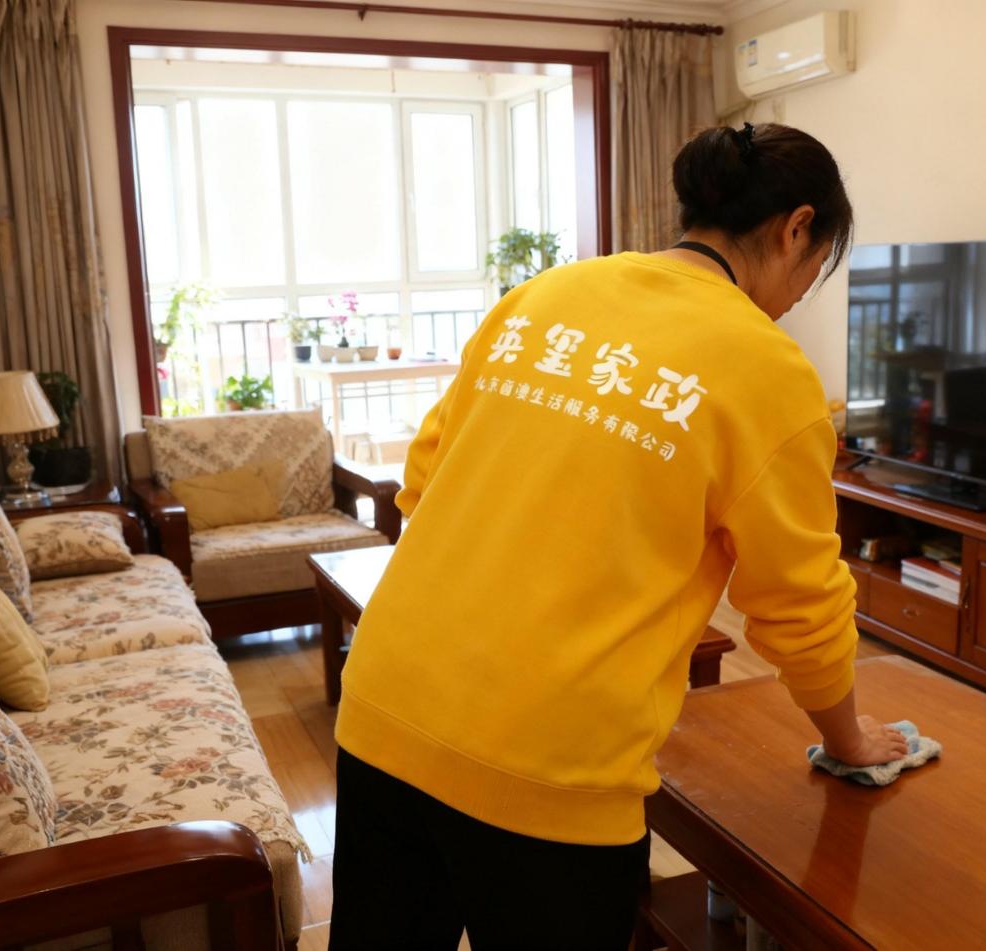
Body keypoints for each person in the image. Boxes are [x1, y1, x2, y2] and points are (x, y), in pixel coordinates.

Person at [330, 122, 909, 951]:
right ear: (796, 229)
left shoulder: (546, 296)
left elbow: (423, 479)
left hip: (385, 701)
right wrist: (848, 741)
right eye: (816, 266)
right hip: (548, 763)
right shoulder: (769, 369)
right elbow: (800, 602)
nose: (798, 294)